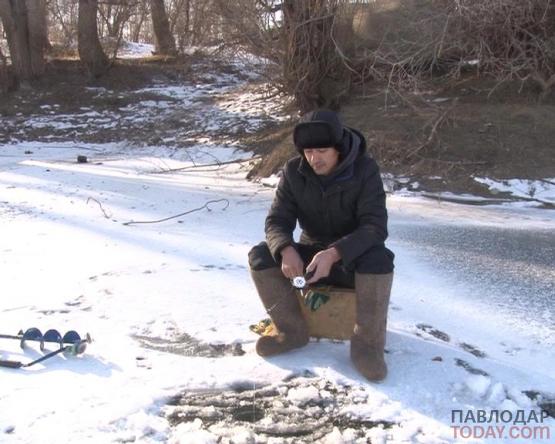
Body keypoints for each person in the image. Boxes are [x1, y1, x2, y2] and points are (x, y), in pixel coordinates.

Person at [248, 109, 395, 381]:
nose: (314, 158)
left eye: (322, 150)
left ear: (338, 148)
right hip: (310, 259)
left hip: (353, 261)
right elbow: (276, 221)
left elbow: (375, 227)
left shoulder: (365, 170)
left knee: (381, 258)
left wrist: (334, 253)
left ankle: (367, 347)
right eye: (308, 151)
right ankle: (291, 332)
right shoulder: (294, 172)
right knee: (260, 254)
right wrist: (285, 249)